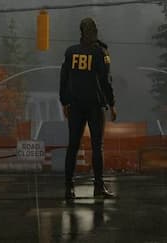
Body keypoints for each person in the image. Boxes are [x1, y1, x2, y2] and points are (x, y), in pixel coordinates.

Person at [59, 16, 117, 200]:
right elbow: (105, 80)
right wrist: (112, 103)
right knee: (97, 147)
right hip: (94, 105)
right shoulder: (100, 52)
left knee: (73, 146)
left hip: (75, 105)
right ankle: (98, 186)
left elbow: (64, 79)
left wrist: (64, 102)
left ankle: (69, 188)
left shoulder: (71, 52)